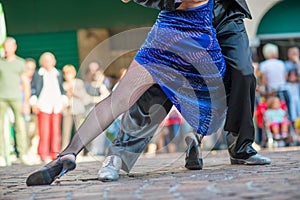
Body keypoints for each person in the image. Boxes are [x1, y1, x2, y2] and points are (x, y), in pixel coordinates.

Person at [26, 0, 228, 186]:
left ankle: (68, 153)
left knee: (116, 101)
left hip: (163, 40)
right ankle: (196, 135)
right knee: (211, 99)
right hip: (197, 46)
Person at [97, 0, 271, 181]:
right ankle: (118, 156)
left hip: (226, 14)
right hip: (183, 14)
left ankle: (240, 147)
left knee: (242, 73)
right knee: (162, 80)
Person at [30, 52, 68, 162]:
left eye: (50, 60)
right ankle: (43, 154)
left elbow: (62, 89)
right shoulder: (38, 74)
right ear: (42, 62)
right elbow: (33, 89)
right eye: (46, 60)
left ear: (54, 61)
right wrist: (34, 103)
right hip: (43, 105)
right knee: (44, 132)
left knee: (56, 131)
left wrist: (64, 101)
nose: (48, 62)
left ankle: (55, 153)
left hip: (56, 106)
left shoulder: (58, 73)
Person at [0, 37, 30, 164]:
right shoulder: (0, 62)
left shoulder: (20, 62)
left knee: (20, 126)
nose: (7, 49)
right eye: (5, 46)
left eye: (9, 46)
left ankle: (22, 154)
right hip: (1, 97)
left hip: (16, 98)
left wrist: (26, 102)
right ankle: (1, 155)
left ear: (14, 47)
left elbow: (26, 83)